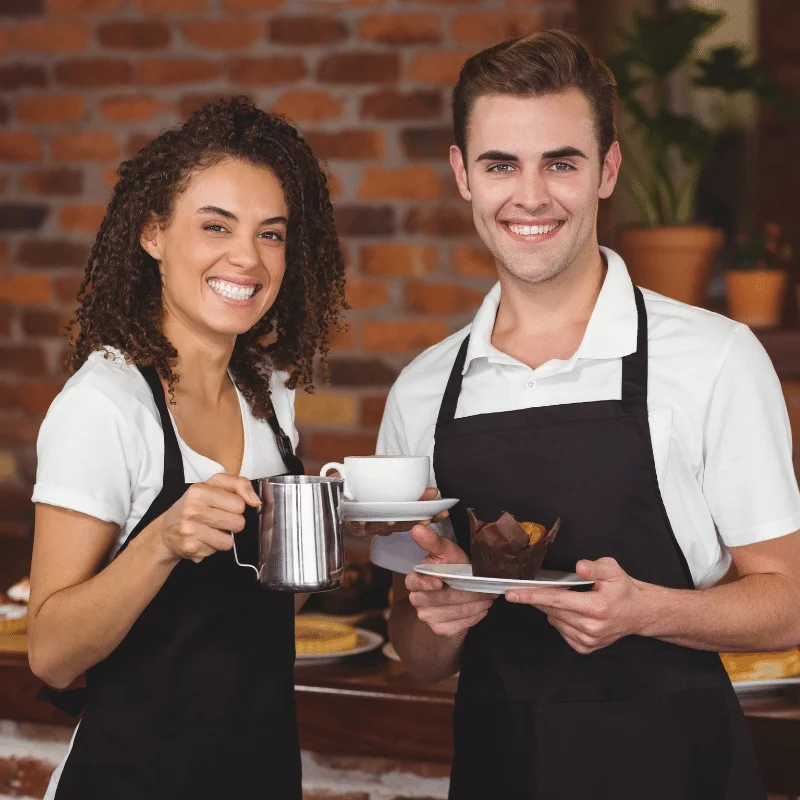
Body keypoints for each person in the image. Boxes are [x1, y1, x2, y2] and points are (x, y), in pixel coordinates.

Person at [370, 30, 800, 799]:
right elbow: (418, 654)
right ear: (462, 174)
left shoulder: (715, 358)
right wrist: (435, 614)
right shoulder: (423, 390)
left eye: (560, 163)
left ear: (606, 170)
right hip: (499, 769)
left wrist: (648, 612)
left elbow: (790, 601)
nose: (530, 197)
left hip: (678, 770)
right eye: (501, 164)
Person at [27, 97, 346, 800]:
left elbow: (250, 616)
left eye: (271, 234)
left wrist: (332, 533)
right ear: (152, 234)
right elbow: (50, 653)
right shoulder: (104, 406)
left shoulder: (267, 397)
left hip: (258, 775)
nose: (248, 258)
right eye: (215, 226)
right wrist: (162, 541)